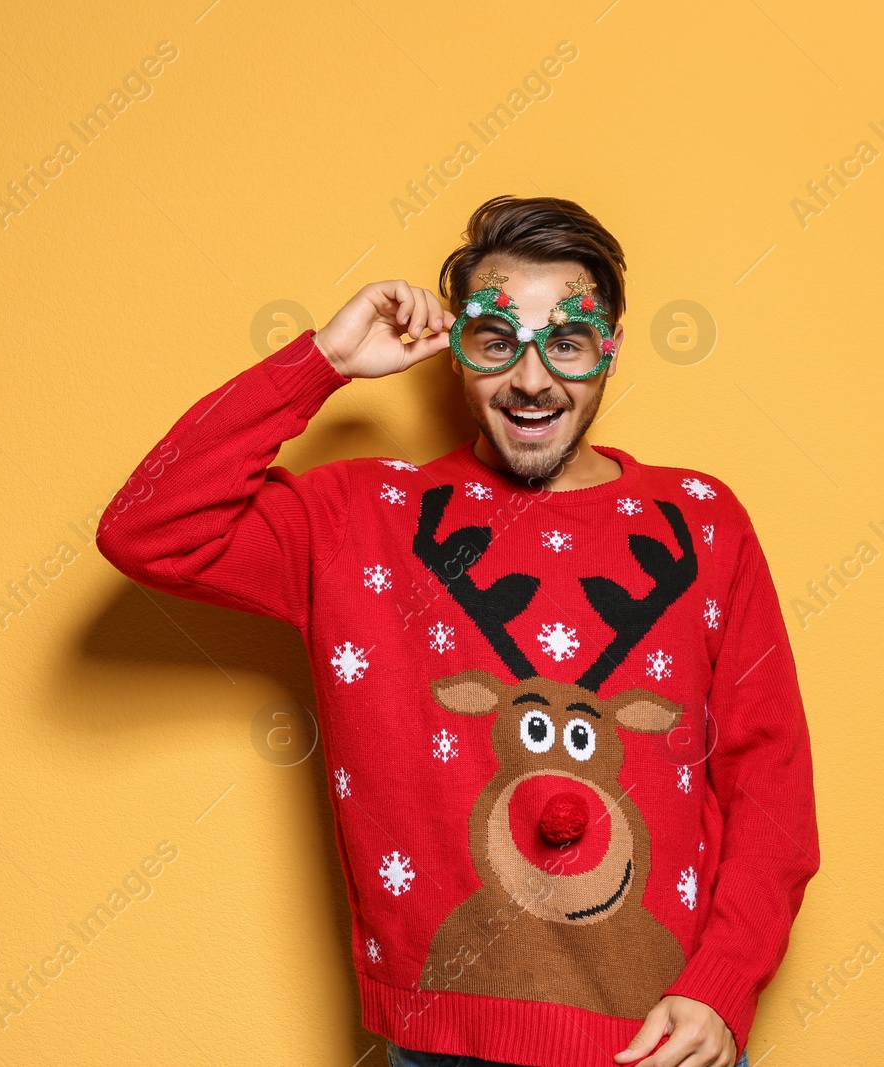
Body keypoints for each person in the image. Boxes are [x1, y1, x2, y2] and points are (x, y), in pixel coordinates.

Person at [97, 195, 819, 1067]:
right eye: (495, 340)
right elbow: (148, 528)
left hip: (661, 1041)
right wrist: (320, 362)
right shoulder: (364, 515)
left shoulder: (699, 522)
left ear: (610, 351)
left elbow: (769, 776)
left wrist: (725, 980)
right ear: (456, 352)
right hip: (442, 1045)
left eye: (568, 340)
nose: (531, 378)